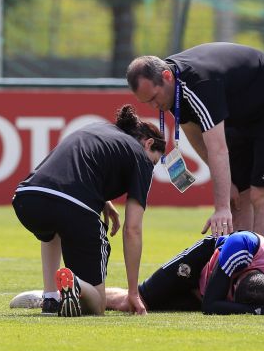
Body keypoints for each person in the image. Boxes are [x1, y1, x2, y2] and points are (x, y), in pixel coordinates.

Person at [126, 43, 264, 247]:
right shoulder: (172, 91)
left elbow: (218, 149)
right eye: (146, 102)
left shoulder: (199, 83)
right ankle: (240, 270)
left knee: (262, 193)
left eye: (154, 98)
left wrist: (220, 209)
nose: (154, 106)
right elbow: (193, 132)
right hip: (241, 116)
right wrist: (227, 187)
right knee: (238, 198)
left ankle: (263, 272)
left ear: (167, 76)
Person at [11, 105, 164, 317]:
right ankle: (76, 285)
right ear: (148, 144)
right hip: (73, 208)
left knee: (51, 229)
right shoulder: (140, 156)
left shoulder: (98, 128)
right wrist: (133, 292)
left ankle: (50, 298)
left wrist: (104, 201)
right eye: (154, 161)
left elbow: (77, 167)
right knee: (97, 305)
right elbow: (132, 229)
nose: (151, 166)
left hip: (28, 199)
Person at [103, 230, 264, 316]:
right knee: (136, 301)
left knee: (142, 307)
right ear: (239, 275)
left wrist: (260, 310)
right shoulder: (240, 245)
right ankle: (85, 292)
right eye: (231, 290)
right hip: (202, 262)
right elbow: (210, 306)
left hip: (208, 293)